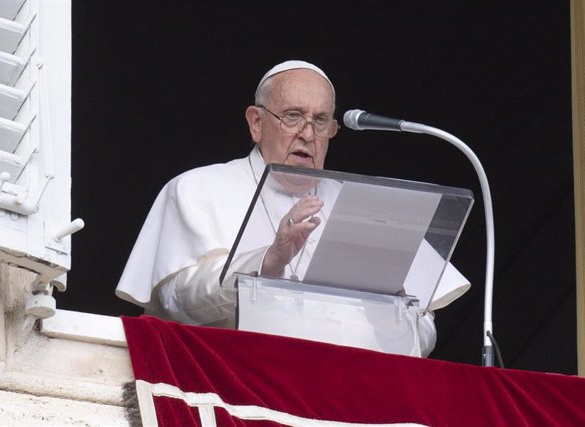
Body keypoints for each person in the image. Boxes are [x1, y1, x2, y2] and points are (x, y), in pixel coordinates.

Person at [116, 60, 470, 356]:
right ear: (256, 122)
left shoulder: (368, 207)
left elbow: (424, 331)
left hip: (349, 397)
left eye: (320, 121)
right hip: (236, 388)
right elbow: (176, 301)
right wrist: (266, 263)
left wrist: (394, 311)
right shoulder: (197, 188)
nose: (307, 133)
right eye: (292, 116)